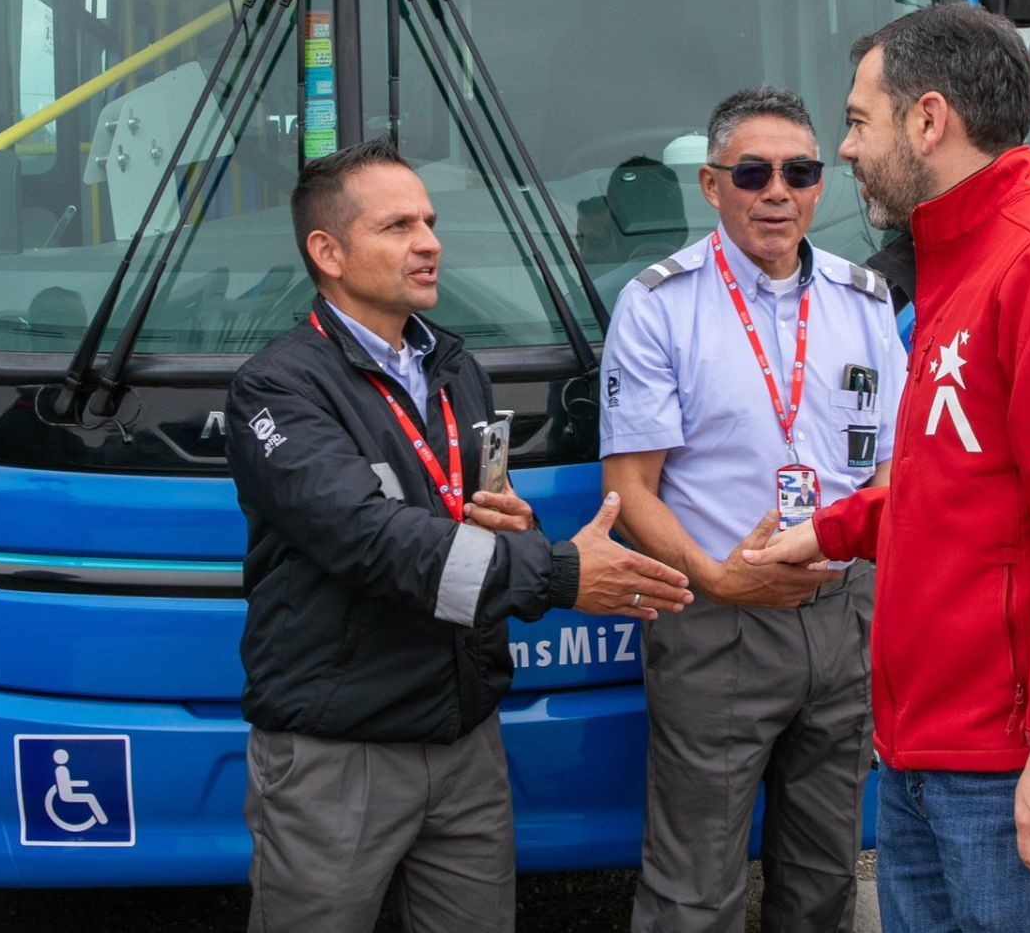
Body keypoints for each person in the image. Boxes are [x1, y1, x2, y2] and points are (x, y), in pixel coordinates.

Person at [746, 3, 1030, 932]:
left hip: (1016, 764)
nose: (846, 150)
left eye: (858, 121)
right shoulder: (963, 261)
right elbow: (959, 491)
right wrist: (828, 531)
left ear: (928, 120)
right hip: (932, 754)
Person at [226, 136, 695, 933]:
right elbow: (371, 539)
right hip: (339, 753)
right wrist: (556, 572)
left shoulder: (454, 367)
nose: (430, 243)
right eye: (398, 226)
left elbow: (469, 512)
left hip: (464, 742)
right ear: (328, 253)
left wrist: (519, 525)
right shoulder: (275, 388)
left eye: (430, 222)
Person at [600, 86, 907, 933]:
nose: (777, 192)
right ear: (712, 185)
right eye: (753, 173)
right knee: (694, 887)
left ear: (819, 185)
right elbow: (629, 490)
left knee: (825, 875)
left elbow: (894, 467)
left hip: (844, 617)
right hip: (717, 619)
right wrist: (717, 578)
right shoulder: (659, 304)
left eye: (799, 173)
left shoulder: (865, 301)